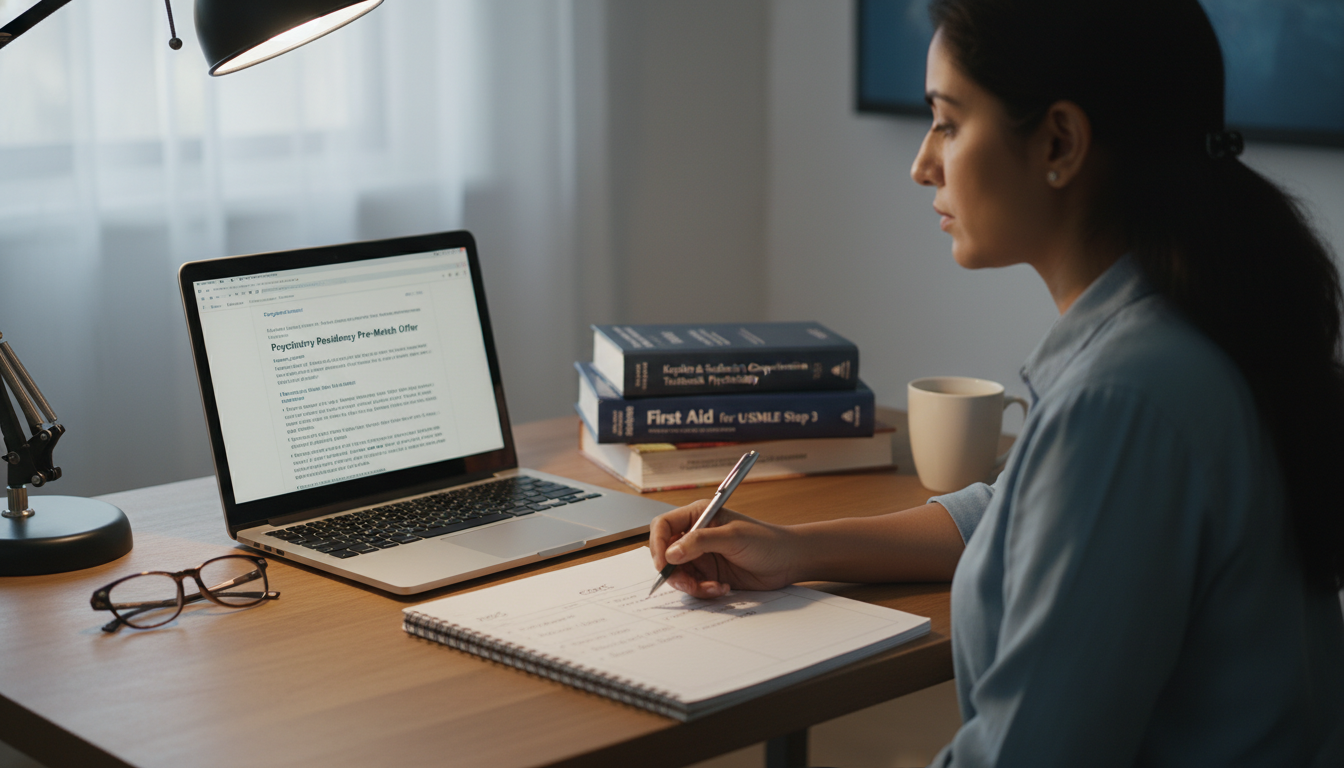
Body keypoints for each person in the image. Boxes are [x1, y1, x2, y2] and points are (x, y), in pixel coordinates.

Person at [648, 1, 1344, 765]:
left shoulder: (1123, 398)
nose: (923, 164)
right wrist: (793, 550)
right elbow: (1014, 513)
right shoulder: (1191, 323)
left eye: (947, 122)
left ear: (1059, 142)